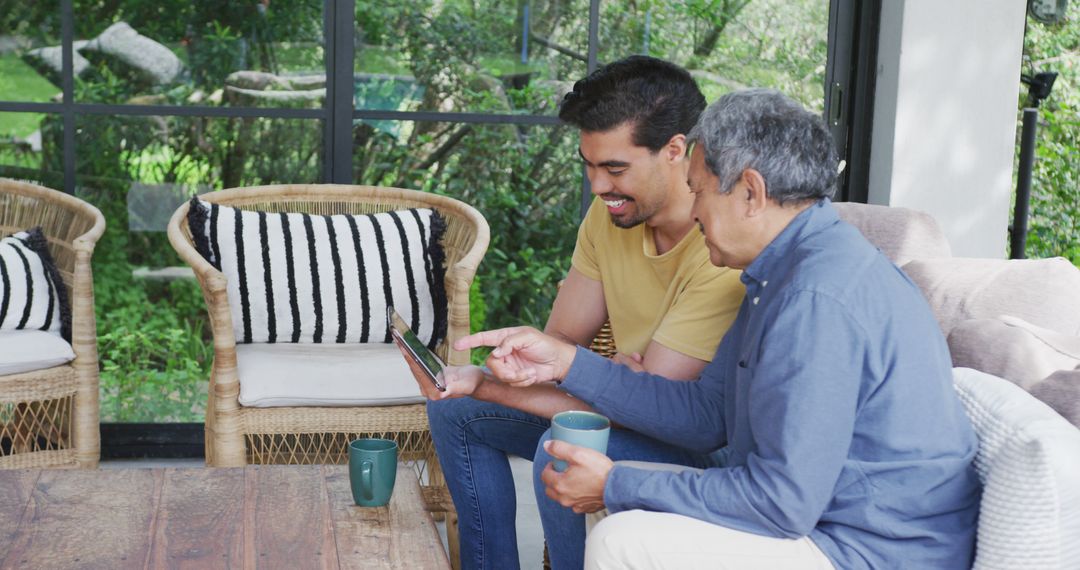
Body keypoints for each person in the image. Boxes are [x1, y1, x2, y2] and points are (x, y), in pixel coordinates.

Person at [456, 89, 982, 569]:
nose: (694, 209)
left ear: (750, 192)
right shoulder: (781, 274)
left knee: (625, 541)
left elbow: (781, 502)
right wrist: (568, 362)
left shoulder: (814, 299)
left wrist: (617, 483)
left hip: (869, 549)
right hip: (828, 519)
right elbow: (708, 417)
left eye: (699, 190)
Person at [398, 56, 745, 570]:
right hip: (627, 412)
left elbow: (656, 409)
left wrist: (581, 371)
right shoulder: (612, 216)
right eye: (589, 165)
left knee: (558, 448)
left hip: (695, 446)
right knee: (454, 407)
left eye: (615, 168)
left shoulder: (721, 246)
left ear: (675, 150)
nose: (598, 186)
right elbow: (562, 345)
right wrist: (484, 381)